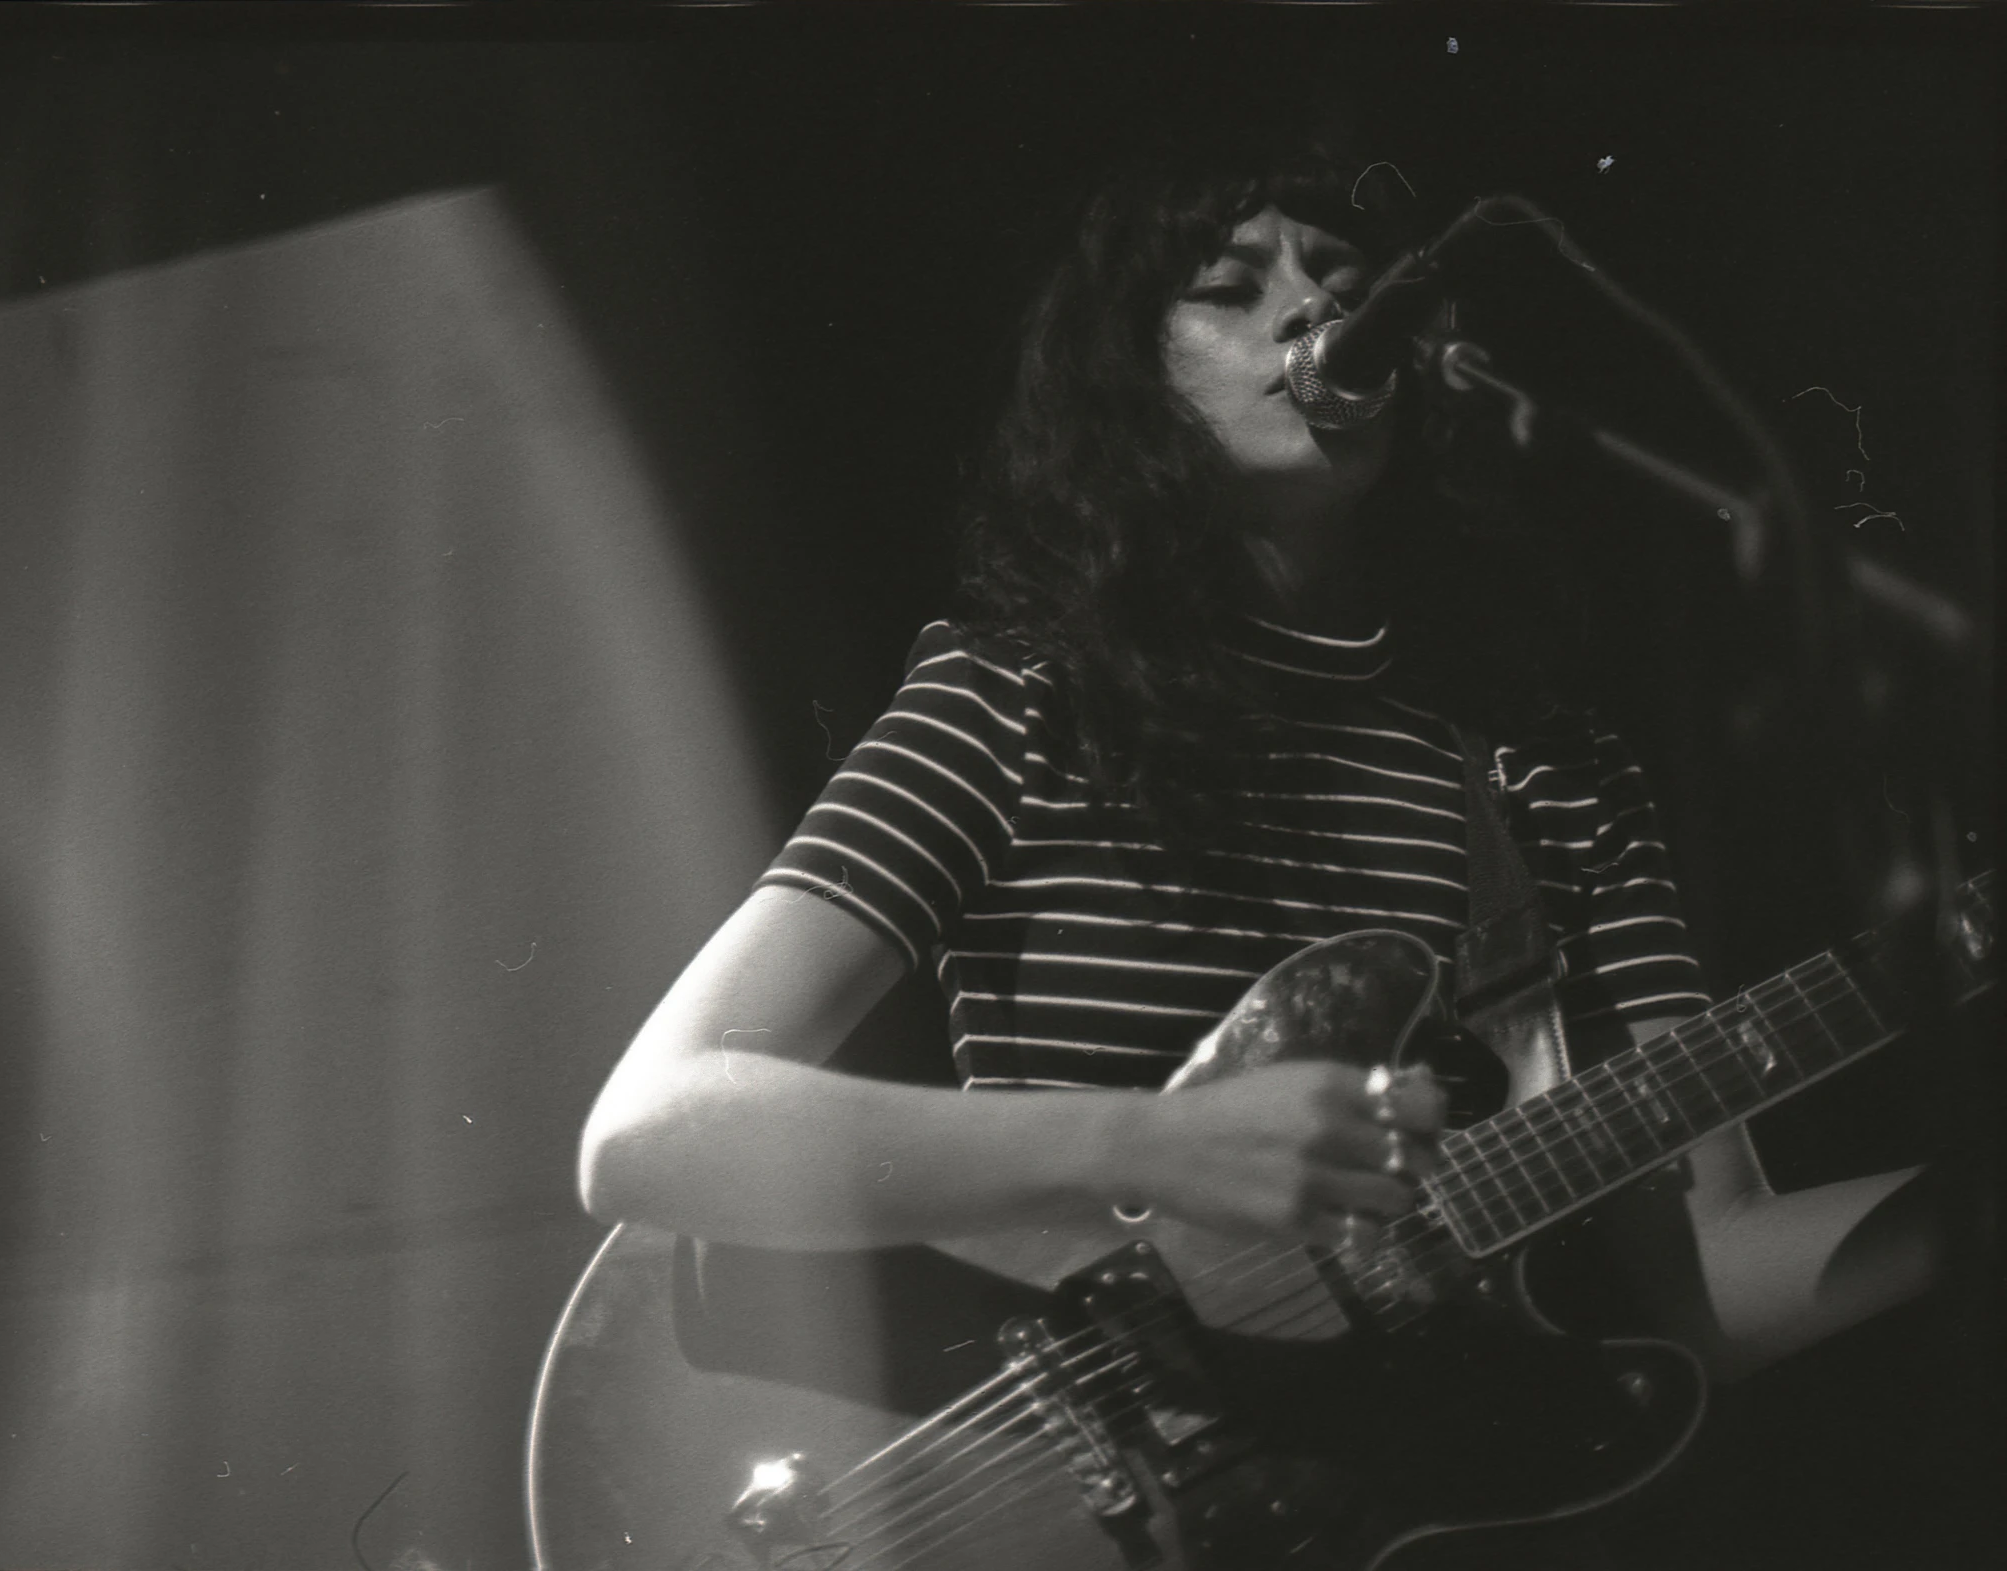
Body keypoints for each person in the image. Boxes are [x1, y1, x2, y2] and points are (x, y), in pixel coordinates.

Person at [576, 139, 1940, 1562]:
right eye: (1230, 290)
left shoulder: (1544, 768)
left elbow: (1701, 1279)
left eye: (1349, 287)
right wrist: (1154, 1142)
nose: (1308, 315)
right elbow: (656, 1129)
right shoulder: (1016, 696)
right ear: (1129, 381)